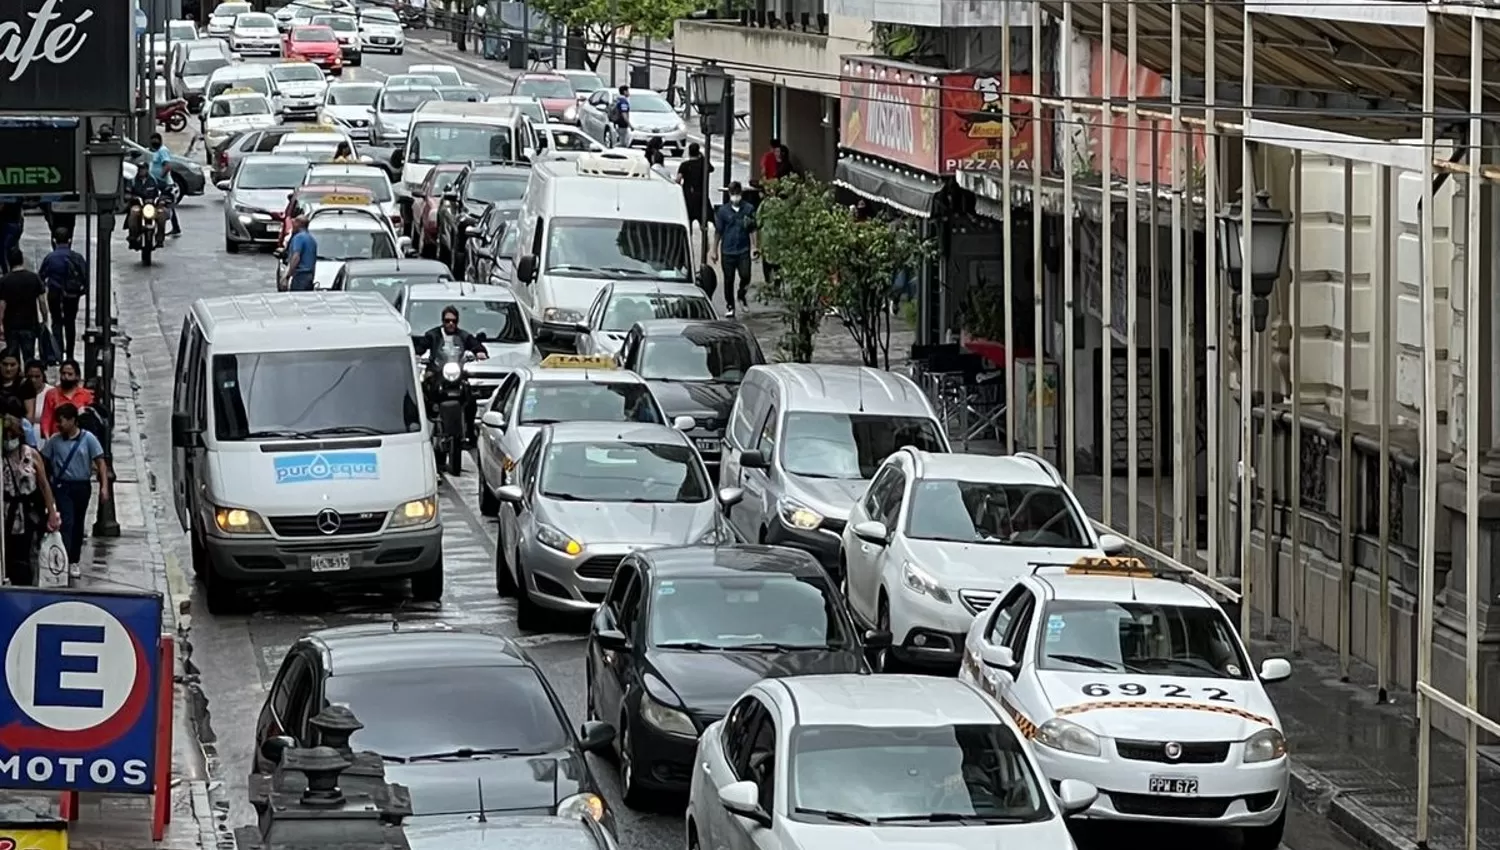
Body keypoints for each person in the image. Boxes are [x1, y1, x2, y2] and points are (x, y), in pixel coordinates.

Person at [41, 402, 108, 575]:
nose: (59, 425)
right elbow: (43, 460)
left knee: (78, 523)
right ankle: (63, 558)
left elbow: (100, 462)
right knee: (67, 522)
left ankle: (74, 560)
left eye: (62, 421)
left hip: (82, 486)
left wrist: (104, 487)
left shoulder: (88, 439)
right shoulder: (54, 441)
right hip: (63, 486)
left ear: (73, 421)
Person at [3, 414, 59, 586]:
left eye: (12, 436)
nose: (9, 440)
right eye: (5, 436)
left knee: (28, 552)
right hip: (5, 513)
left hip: (27, 513)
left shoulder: (31, 454)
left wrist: (51, 512)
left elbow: (44, 485)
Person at [38, 228, 88, 362]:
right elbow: (86, 277)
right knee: (70, 323)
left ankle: (58, 352)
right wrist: (80, 291)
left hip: (54, 294)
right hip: (72, 295)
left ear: (54, 240)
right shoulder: (76, 257)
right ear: (69, 240)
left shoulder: (50, 258)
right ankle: (70, 354)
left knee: (56, 322)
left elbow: (41, 277)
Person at [710, 181, 758, 317]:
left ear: (741, 194)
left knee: (746, 276)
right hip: (728, 251)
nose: (735, 197)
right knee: (728, 279)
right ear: (729, 194)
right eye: (733, 194)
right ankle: (730, 305)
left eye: (737, 194)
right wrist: (714, 250)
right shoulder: (723, 211)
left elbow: (753, 229)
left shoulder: (748, 209)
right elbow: (718, 232)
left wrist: (755, 246)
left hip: (743, 249)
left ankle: (741, 295)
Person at [0, 247, 46, 362]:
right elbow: (42, 301)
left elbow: (2, 305)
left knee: (12, 356)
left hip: (11, 325)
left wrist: (0, 324)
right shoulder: (34, 278)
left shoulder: (4, 280)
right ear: (22, 260)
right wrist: (45, 318)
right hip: (29, 324)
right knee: (29, 356)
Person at [413, 305, 490, 362]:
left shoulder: (463, 335)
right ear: (443, 321)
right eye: (447, 321)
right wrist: (417, 355)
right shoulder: (433, 335)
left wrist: (480, 352)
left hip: (458, 369)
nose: (451, 323)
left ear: (457, 321)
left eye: (454, 321)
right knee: (427, 378)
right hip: (436, 368)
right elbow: (421, 346)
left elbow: (475, 344)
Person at [39, 359, 93, 438]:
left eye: (70, 374)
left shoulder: (86, 395)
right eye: (63, 373)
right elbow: (46, 420)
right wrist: (48, 439)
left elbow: (90, 421)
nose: (66, 377)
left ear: (77, 377)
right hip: (57, 439)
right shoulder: (51, 394)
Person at [146, 133, 183, 237]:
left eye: (156, 140)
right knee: (168, 206)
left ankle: (165, 228)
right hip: (158, 183)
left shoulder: (162, 150)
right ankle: (175, 227)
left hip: (163, 184)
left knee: (162, 206)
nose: (154, 142)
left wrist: (160, 178)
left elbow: (167, 166)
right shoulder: (156, 151)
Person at [280, 215, 318, 292]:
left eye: (294, 223)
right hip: (309, 277)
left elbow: (296, 257)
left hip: (300, 276)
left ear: (299, 224)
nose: (293, 225)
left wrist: (287, 276)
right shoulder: (312, 239)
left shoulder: (299, 238)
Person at [676, 142, 710, 225]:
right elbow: (711, 168)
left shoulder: (684, 165)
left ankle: (689, 236)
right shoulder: (703, 164)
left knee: (688, 221)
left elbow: (678, 180)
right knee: (703, 221)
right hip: (701, 196)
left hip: (688, 195)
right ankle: (705, 235)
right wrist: (703, 157)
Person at [0, 353, 35, 420]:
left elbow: (30, 414)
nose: (8, 369)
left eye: (12, 365)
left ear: (18, 365)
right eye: (5, 364)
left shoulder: (25, 384)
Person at [24, 360, 49, 425]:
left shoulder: (51, 391)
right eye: (30, 376)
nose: (33, 380)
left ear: (43, 376)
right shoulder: (20, 391)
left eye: (37, 376)